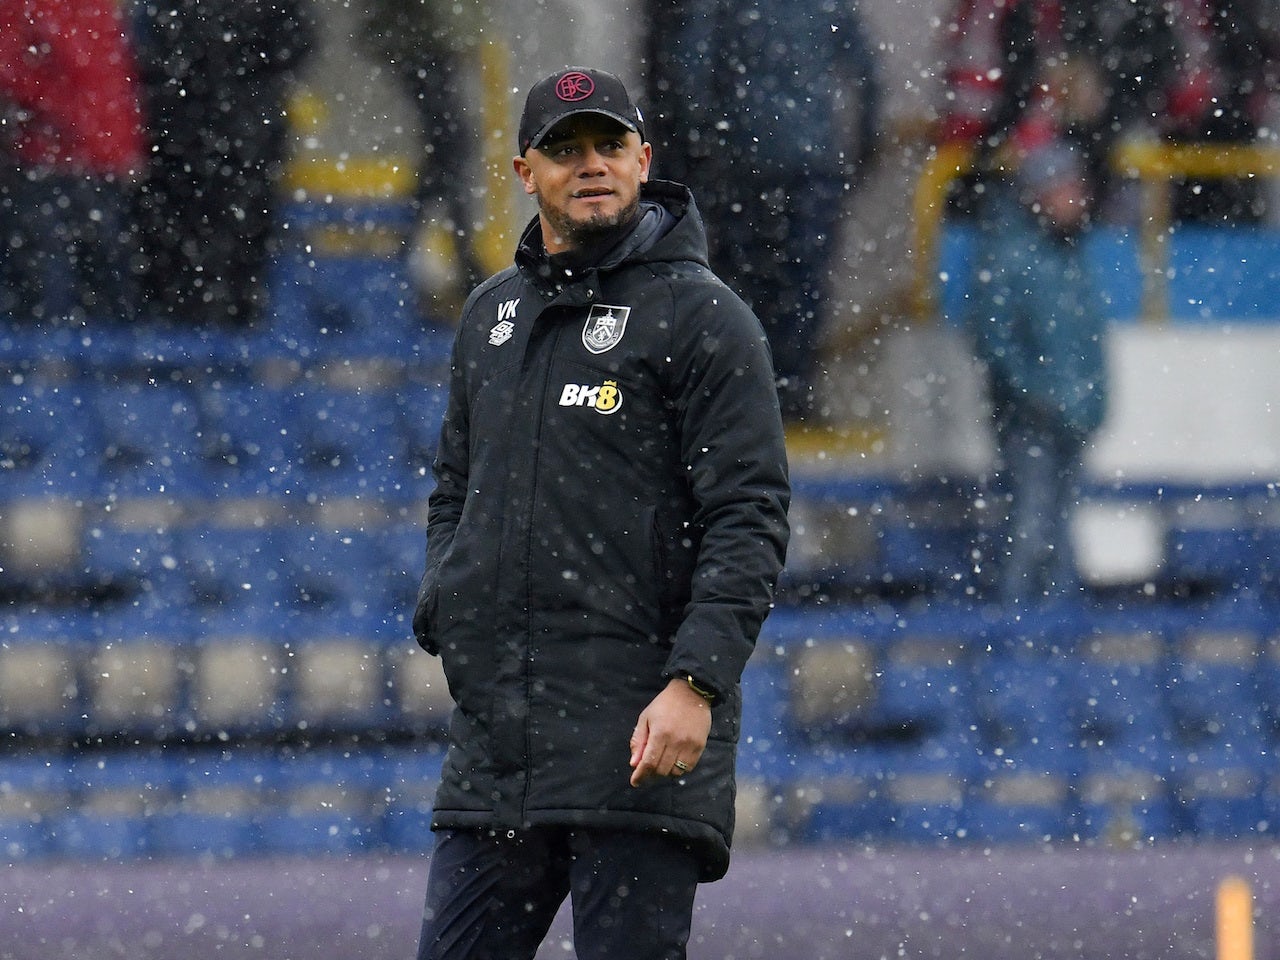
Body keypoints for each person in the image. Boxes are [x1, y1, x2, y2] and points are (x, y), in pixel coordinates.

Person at [410, 67, 790, 960]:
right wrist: (447, 602)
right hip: (499, 745)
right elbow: (454, 488)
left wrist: (695, 683)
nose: (592, 165)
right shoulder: (489, 317)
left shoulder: (704, 318)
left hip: (638, 735)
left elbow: (750, 516)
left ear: (643, 159)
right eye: (565, 149)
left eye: (610, 145)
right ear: (522, 172)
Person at [652, 0, 881, 422]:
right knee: (804, 282)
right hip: (813, 158)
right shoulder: (829, 6)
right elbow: (867, 75)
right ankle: (791, 390)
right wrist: (864, 145)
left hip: (745, 156)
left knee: (744, 274)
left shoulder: (722, 8)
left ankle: (745, 391)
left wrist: (704, 141)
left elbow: (691, 70)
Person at [964, 139, 1109, 607]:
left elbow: (1087, 343)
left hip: (1068, 416)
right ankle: (1017, 636)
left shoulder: (1069, 255)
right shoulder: (1008, 254)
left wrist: (1091, 400)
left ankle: (1056, 640)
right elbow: (994, 341)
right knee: (1030, 524)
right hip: (1031, 420)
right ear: (1037, 193)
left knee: (1060, 526)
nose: (1074, 199)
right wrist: (1038, 396)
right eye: (1064, 188)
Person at [131, 0, 314, 327]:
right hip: (231, 144)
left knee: (195, 264)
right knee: (228, 262)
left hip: (193, 143)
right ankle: (220, 345)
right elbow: (295, 44)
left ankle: (201, 347)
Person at [0, 0, 145, 323]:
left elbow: (112, 80)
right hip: (53, 158)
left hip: (84, 158)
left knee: (97, 281)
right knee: (53, 283)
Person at [355, 0, 488, 315]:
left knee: (446, 151)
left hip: (422, 41)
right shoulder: (420, 34)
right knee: (450, 146)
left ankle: (420, 254)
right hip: (419, 41)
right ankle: (451, 257)